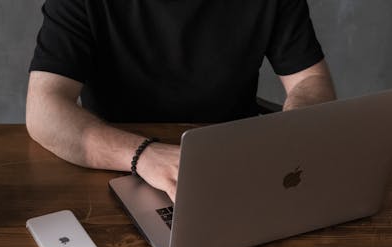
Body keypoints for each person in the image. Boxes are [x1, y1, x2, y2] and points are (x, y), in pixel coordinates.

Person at [26, 0, 336, 202]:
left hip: (232, 168)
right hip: (113, 169)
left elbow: (311, 81)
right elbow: (44, 108)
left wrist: (294, 128)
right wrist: (144, 156)